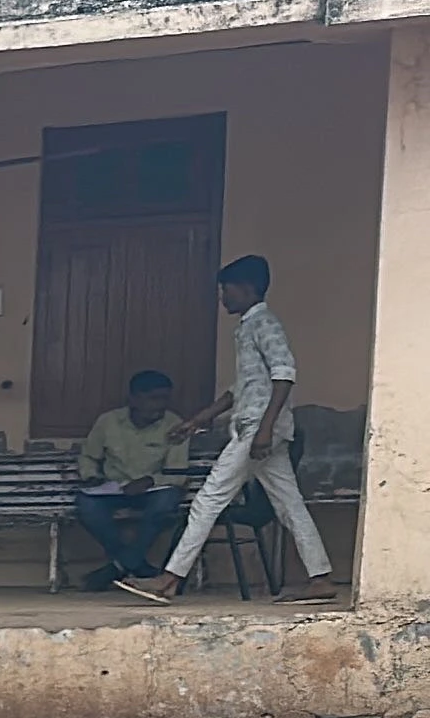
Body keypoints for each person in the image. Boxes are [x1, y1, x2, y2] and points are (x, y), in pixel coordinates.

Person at [123, 255, 340, 603]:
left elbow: (284, 374)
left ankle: (169, 579)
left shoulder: (264, 322)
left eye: (226, 289)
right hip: (259, 425)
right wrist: (198, 420)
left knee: (209, 499)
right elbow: (240, 389)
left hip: (257, 427)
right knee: (290, 504)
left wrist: (266, 429)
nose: (222, 297)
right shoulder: (247, 327)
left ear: (247, 288)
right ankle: (321, 578)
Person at [70, 368, 204, 589]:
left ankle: (118, 567)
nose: (160, 405)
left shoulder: (174, 424)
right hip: (114, 489)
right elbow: (88, 456)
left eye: (164, 399)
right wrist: (91, 477)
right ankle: (137, 566)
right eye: (153, 398)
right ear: (133, 398)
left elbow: (177, 472)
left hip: (153, 491)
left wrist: (151, 481)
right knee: (87, 506)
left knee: (165, 503)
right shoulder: (108, 421)